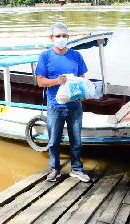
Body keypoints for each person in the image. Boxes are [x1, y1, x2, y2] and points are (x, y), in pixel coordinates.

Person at [35, 22, 90, 183]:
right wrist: (57, 81)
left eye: (64, 35)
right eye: (58, 36)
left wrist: (85, 92)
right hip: (55, 106)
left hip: (74, 106)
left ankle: (77, 169)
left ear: (68, 37)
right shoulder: (45, 56)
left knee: (76, 140)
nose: (61, 38)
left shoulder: (76, 56)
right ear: (51, 38)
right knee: (53, 141)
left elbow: (82, 79)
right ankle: (55, 169)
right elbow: (40, 82)